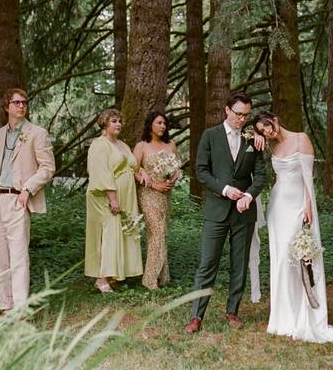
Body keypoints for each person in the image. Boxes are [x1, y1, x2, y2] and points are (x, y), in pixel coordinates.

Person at [253, 112, 333, 345]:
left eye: (268, 127)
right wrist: (255, 135)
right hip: (278, 205)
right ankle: (283, 317)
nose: (268, 133)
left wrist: (308, 205)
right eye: (263, 132)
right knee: (280, 259)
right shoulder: (269, 144)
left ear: (275, 119)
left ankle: (305, 313)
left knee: (297, 258)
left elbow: (307, 176)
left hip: (298, 206)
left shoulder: (300, 139)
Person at [185, 92, 266, 333]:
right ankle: (196, 316)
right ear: (227, 110)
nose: (242, 119)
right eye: (238, 114)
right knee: (207, 263)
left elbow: (261, 175)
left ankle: (233, 312)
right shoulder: (210, 136)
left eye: (246, 115)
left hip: (244, 212)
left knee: (239, 265)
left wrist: (249, 195)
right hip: (216, 209)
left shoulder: (254, 139)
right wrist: (224, 189)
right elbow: (201, 171)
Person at [0, 89, 56, 313]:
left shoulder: (37, 133)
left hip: (18, 200)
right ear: (7, 107)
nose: (21, 106)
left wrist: (27, 189)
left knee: (19, 256)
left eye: (24, 102)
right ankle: (6, 307)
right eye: (16, 102)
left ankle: (20, 309)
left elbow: (48, 168)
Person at [85, 109, 144, 293]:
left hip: (125, 195)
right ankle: (101, 278)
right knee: (107, 235)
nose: (118, 124)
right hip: (105, 196)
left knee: (119, 234)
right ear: (104, 123)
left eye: (119, 121)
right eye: (113, 121)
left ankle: (112, 275)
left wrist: (143, 174)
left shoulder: (122, 145)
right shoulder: (99, 145)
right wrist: (113, 198)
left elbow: (133, 165)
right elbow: (101, 173)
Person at [133, 111, 179, 290]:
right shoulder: (141, 146)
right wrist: (153, 184)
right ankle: (150, 279)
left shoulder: (171, 145)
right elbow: (134, 170)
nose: (162, 126)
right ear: (150, 124)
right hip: (148, 194)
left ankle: (163, 276)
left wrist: (172, 180)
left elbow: (177, 168)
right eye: (159, 123)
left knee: (163, 232)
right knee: (157, 232)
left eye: (164, 124)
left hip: (165, 194)